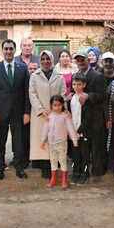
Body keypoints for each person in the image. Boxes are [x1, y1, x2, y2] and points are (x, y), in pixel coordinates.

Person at [0, 39, 31, 180]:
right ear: (3, 50)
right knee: (0, 142)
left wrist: (27, 112)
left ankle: (19, 168)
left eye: (11, 49)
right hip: (0, 113)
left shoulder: (22, 68)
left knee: (18, 142)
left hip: (18, 112)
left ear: (15, 50)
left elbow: (27, 92)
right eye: (6, 49)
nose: (8, 51)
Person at [29, 50, 66, 178]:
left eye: (48, 59)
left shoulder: (59, 76)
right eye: (43, 59)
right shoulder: (34, 76)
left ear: (52, 60)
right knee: (43, 141)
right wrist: (40, 109)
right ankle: (45, 169)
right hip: (41, 115)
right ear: (40, 61)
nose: (45, 61)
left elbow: (63, 94)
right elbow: (32, 94)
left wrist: (58, 109)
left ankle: (56, 168)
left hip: (56, 114)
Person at [73, 50, 107, 179]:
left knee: (96, 146)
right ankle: (84, 170)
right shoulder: (76, 75)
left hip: (95, 117)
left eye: (83, 59)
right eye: (78, 60)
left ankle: (97, 172)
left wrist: (89, 95)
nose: (80, 62)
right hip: (81, 118)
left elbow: (104, 96)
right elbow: (75, 91)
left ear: (88, 60)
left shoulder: (98, 76)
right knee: (83, 147)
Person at [41, 95, 78, 188]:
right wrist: (43, 141)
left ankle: (64, 179)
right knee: (53, 161)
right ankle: (53, 179)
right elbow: (45, 129)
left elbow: (71, 129)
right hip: (51, 144)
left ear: (62, 105)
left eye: (59, 105)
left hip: (62, 143)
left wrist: (74, 140)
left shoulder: (65, 116)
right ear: (51, 106)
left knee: (62, 161)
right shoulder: (49, 117)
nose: (57, 107)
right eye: (55, 105)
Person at [69, 74, 91, 185]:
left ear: (84, 85)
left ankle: (85, 173)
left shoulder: (85, 98)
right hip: (73, 131)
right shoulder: (72, 98)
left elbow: (87, 117)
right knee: (75, 153)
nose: (76, 86)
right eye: (74, 84)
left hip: (83, 131)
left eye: (79, 84)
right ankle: (76, 171)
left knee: (84, 153)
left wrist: (80, 129)